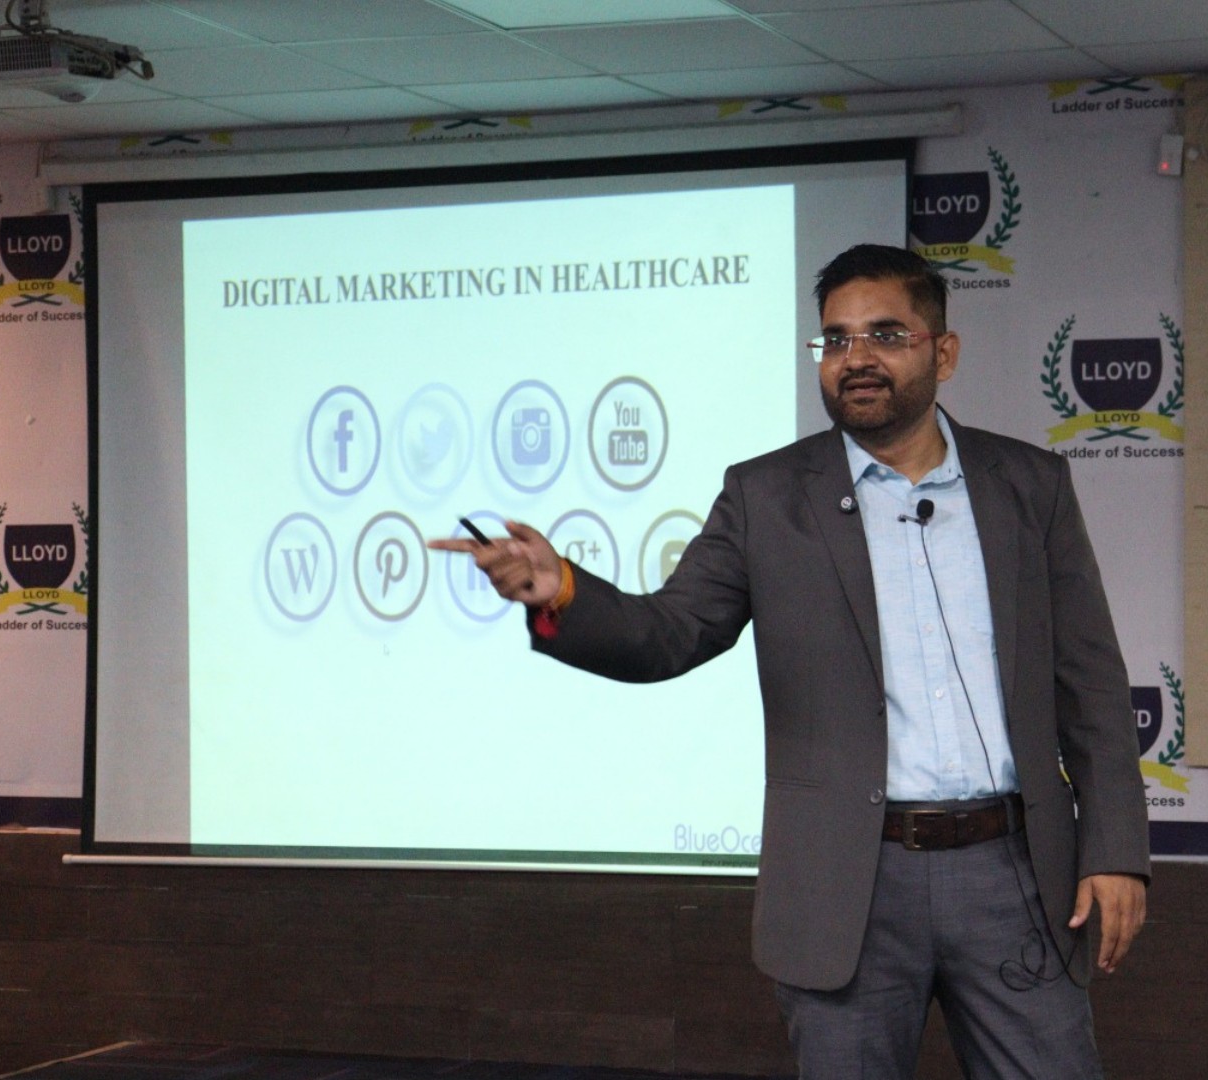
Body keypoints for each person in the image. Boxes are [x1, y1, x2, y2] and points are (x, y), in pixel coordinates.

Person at [433, 244, 1149, 1079]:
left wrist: (1114, 850)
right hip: (848, 886)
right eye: (835, 340)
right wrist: (560, 590)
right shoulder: (766, 496)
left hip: (1013, 872)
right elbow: (669, 633)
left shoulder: (1029, 484)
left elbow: (1092, 686)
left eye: (885, 335)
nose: (856, 358)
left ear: (944, 352)